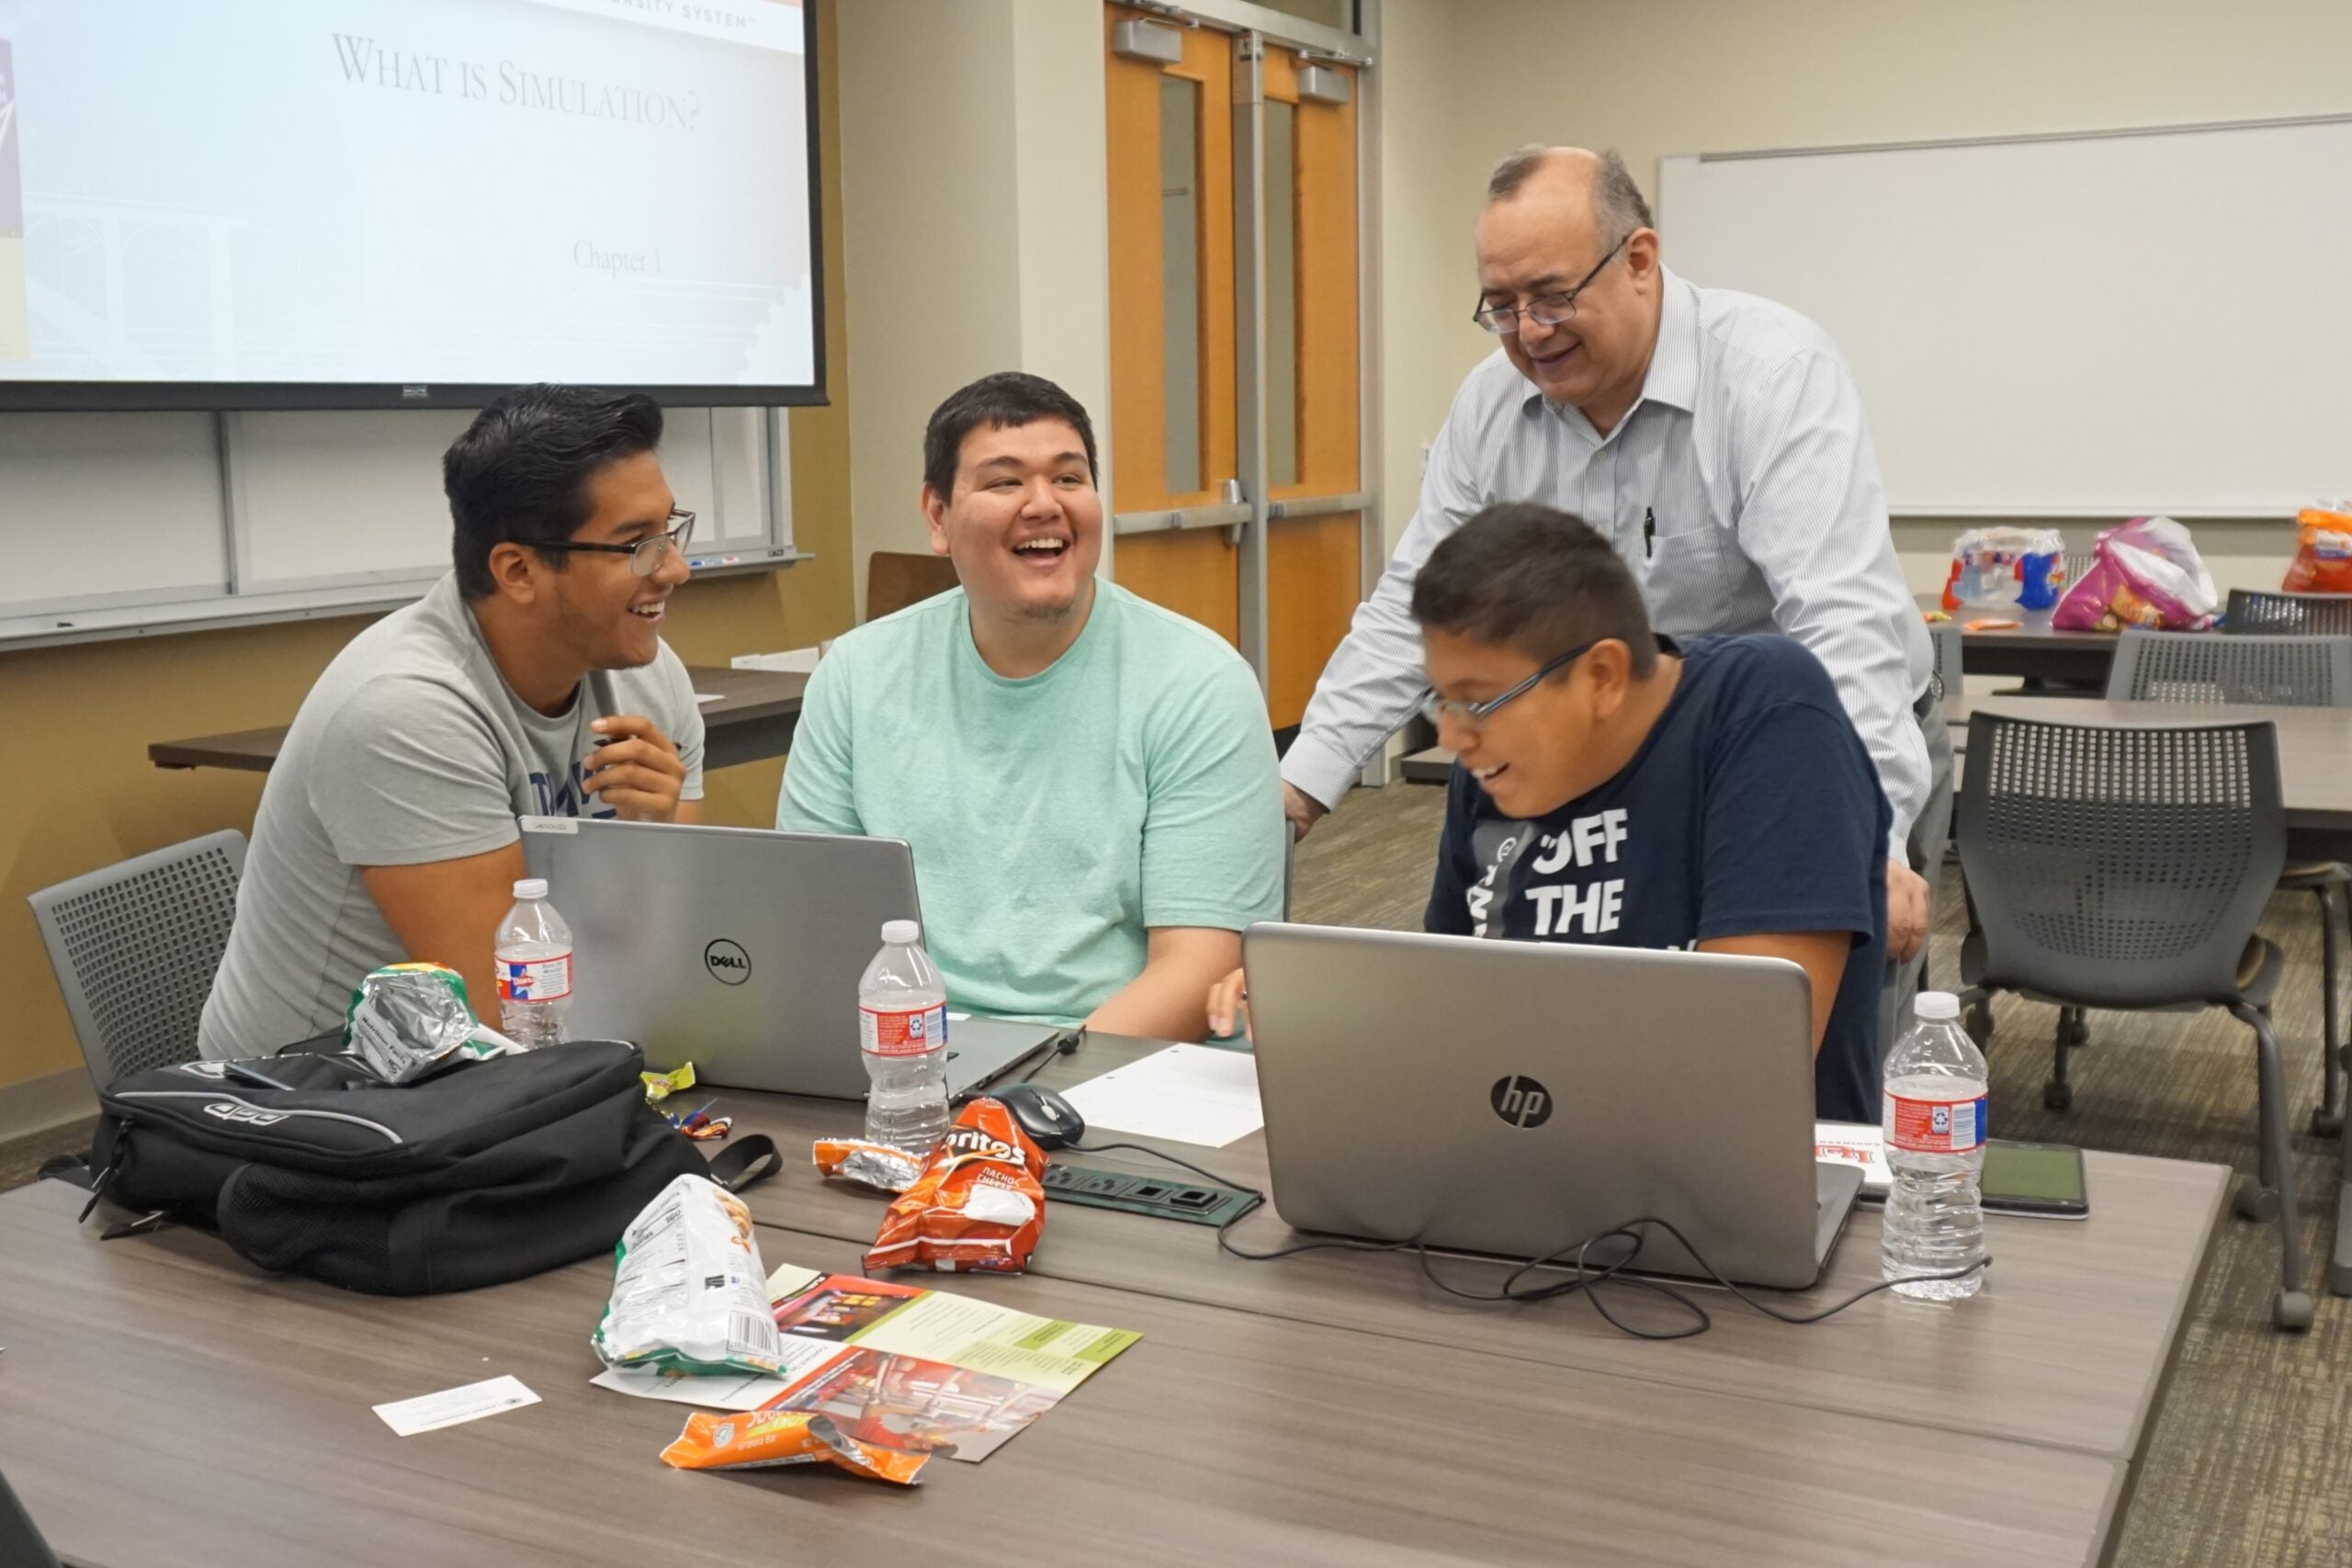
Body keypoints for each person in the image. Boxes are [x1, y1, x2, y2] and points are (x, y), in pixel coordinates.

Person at [1279, 146, 1949, 1049]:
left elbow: (1838, 621)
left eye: (1551, 296)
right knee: (1608, 1022)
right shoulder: (1491, 408)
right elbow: (1415, 602)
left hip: (1800, 741)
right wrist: (1297, 788)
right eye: (1501, 306)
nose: (1529, 330)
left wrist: (1873, 832)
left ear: (1638, 260)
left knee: (1807, 1039)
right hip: (1611, 742)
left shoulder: (1769, 371)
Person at [1215, 503, 1888, 1122]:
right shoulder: (1497, 767)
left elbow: (1743, 1065)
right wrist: (1335, 1008)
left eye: (1477, 702)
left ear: (1601, 677)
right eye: (1442, 702)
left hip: (1732, 1185)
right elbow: (1452, 995)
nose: (1453, 737)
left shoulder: (1768, 714)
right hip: (1520, 1149)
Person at [198, 385, 704, 1056]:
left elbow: (691, 951)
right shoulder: (404, 711)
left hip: (506, 1074)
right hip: (322, 1106)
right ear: (518, 569)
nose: (677, 568)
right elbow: (510, 1017)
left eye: (669, 531)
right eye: (636, 545)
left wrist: (656, 832)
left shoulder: (645, 668)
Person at [777, 371, 1283, 1041]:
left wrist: (1020, 1100)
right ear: (937, 516)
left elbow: (1197, 972)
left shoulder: (1198, 682)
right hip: (908, 1058)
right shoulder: (857, 674)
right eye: (1005, 481)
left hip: (1120, 1070)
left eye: (1070, 478)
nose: (1044, 503)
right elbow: (813, 925)